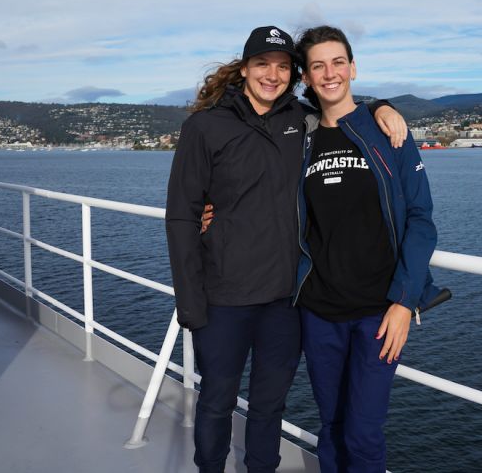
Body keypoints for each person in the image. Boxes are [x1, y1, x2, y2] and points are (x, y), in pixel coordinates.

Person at [165, 25, 408, 473]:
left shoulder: (301, 120)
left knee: (268, 407)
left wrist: (381, 106)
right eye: (263, 65)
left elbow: (339, 103)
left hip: (285, 301)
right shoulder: (205, 127)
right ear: (245, 69)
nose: (272, 75)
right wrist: (190, 301)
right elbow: (182, 216)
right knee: (217, 402)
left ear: (293, 76)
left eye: (282, 67)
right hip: (222, 299)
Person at [293, 25, 440, 473]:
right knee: (332, 424)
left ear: (353, 68)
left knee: (363, 432)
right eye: (318, 65)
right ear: (306, 77)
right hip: (319, 310)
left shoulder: (387, 132)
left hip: (380, 312)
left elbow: (421, 219)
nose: (330, 73)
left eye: (338, 62)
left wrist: (404, 301)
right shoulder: (300, 136)